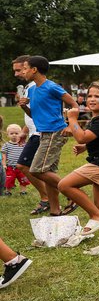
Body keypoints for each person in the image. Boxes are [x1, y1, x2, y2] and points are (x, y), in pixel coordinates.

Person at [58, 81, 99, 255]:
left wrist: (72, 119)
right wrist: (85, 147)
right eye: (89, 96)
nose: (92, 99)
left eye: (97, 96)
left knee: (64, 185)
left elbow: (82, 137)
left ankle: (96, 216)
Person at [19, 56, 80, 216]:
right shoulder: (32, 90)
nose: (23, 72)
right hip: (43, 133)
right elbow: (35, 116)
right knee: (48, 172)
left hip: (55, 132)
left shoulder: (52, 87)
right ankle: (55, 211)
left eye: (25, 68)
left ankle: (72, 193)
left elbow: (74, 105)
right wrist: (24, 107)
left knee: (36, 169)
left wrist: (69, 125)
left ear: (34, 70)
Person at [12, 56, 50, 213]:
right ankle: (52, 197)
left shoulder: (37, 86)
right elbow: (32, 114)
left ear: (30, 68)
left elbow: (42, 112)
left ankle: (50, 197)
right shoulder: (30, 86)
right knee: (43, 169)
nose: (16, 74)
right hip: (34, 132)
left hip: (41, 133)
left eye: (19, 70)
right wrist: (24, 131)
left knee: (24, 166)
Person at [2, 124, 30, 195]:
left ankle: (23, 191)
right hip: (10, 167)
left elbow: (27, 154)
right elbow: (4, 155)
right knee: (9, 180)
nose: (14, 135)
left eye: (16, 133)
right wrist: (4, 164)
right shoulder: (6, 145)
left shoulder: (23, 144)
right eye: (11, 133)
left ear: (20, 134)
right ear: (8, 135)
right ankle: (8, 191)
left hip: (21, 167)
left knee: (23, 179)